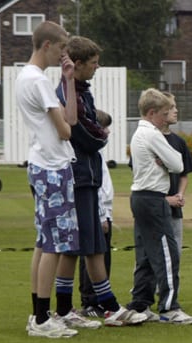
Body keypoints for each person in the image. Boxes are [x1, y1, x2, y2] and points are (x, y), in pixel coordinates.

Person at [54, 35, 145, 329]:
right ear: (77, 64)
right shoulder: (70, 94)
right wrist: (100, 135)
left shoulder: (82, 92)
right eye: (93, 63)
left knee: (89, 244)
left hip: (87, 177)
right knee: (83, 245)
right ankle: (105, 307)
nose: (97, 67)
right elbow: (88, 135)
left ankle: (74, 308)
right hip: (79, 177)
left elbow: (93, 127)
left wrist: (97, 133)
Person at [20, 20, 81, 338]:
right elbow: (66, 130)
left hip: (42, 165)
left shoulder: (27, 77)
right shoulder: (38, 81)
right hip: (52, 167)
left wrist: (68, 81)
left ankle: (38, 314)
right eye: (60, 48)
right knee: (54, 245)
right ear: (46, 45)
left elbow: (69, 117)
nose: (63, 55)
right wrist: (58, 88)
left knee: (43, 244)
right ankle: (43, 319)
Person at [126, 88, 192, 325]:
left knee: (146, 254)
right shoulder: (153, 134)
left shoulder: (138, 133)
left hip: (139, 198)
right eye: (164, 113)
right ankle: (169, 308)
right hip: (153, 199)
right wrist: (166, 161)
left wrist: (163, 161)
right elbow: (177, 164)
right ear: (152, 112)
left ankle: (140, 304)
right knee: (168, 254)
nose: (167, 117)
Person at [78, 110, 114, 318]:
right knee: (93, 256)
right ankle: (91, 301)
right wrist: (102, 215)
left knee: (103, 256)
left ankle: (100, 298)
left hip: (104, 212)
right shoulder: (91, 156)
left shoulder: (98, 155)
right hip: (99, 213)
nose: (107, 131)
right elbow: (98, 189)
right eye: (103, 127)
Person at [159, 93, 192, 257]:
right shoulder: (148, 139)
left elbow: (184, 174)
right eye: (171, 107)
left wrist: (180, 194)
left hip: (175, 211)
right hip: (154, 208)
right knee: (151, 257)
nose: (176, 110)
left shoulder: (178, 142)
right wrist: (165, 199)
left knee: (174, 255)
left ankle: (172, 284)